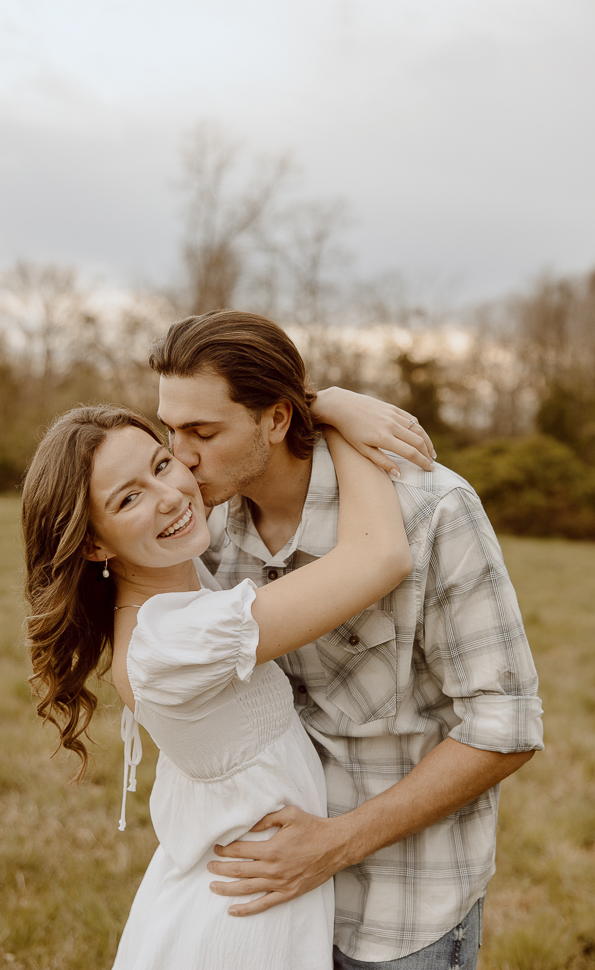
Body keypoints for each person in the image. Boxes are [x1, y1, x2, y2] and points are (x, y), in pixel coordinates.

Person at [150, 310, 545, 970]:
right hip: (261, 903)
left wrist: (336, 843)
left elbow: (504, 723)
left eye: (202, 431)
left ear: (276, 420)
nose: (180, 455)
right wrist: (326, 403)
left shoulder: (431, 511)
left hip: (401, 909)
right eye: (169, 428)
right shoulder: (203, 531)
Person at [21, 403, 412, 970]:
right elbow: (381, 555)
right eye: (127, 499)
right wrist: (336, 412)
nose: (170, 496)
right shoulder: (172, 641)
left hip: (247, 888)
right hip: (242, 925)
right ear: (93, 546)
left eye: (161, 463)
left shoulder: (174, 584)